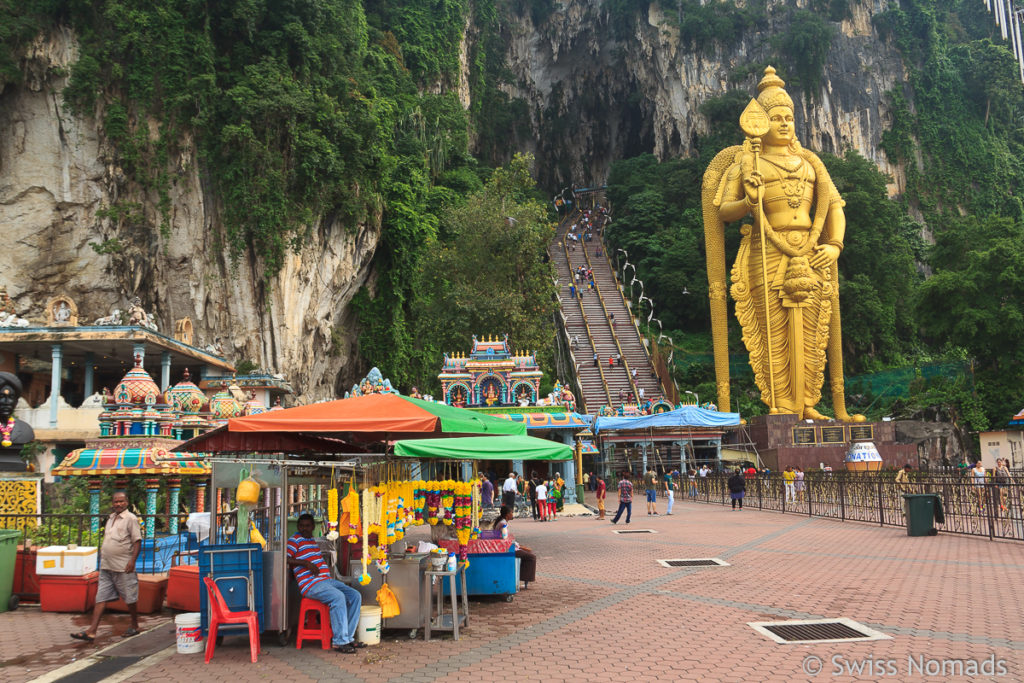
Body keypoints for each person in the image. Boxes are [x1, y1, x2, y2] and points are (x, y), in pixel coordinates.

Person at [703, 66, 864, 423]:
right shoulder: (747, 162)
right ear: (759, 123)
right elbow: (722, 211)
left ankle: (809, 402)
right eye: (775, 117)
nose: (784, 124)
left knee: (812, 330)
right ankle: (780, 405)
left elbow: (834, 206)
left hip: (810, 252)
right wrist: (749, 200)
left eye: (789, 118)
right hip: (767, 251)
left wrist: (834, 244)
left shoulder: (810, 163)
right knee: (771, 332)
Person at [286, 514, 364, 653]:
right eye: (302, 526)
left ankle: (348, 638)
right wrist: (305, 563)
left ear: (313, 527)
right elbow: (285, 559)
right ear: (298, 527)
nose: (304, 529)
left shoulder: (311, 541)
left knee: (355, 596)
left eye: (307, 526)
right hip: (310, 585)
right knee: (338, 597)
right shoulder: (294, 540)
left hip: (326, 582)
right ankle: (339, 642)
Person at [72, 491, 141, 642]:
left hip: (123, 566)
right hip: (106, 565)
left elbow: (137, 541)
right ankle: (91, 631)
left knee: (130, 598)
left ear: (127, 502)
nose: (118, 504)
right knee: (101, 597)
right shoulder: (110, 518)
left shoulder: (131, 519)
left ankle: (135, 625)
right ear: (112, 503)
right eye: (116, 502)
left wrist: (132, 561)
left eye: (121, 501)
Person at [493, 505, 537, 589]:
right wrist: (518, 546)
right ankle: (524, 579)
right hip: (506, 548)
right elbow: (505, 539)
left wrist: (519, 545)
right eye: (511, 513)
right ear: (507, 515)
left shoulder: (502, 522)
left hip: (507, 546)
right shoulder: (503, 524)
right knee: (531, 557)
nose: (513, 514)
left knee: (529, 553)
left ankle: (524, 579)